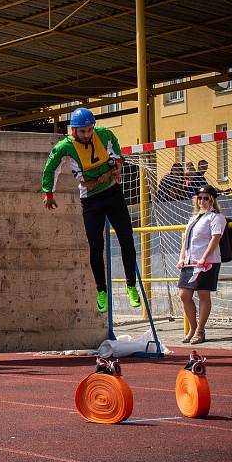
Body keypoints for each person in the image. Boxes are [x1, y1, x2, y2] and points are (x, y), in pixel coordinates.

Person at [41, 107, 140, 313]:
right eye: (82, 131)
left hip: (112, 193)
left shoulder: (104, 134)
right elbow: (51, 168)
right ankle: (101, 290)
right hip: (91, 199)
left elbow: (118, 152)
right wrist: (49, 192)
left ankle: (131, 285)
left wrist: (117, 165)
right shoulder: (64, 147)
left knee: (126, 238)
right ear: (73, 131)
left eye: (89, 130)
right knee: (96, 246)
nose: (87, 135)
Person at [176, 185, 227, 345]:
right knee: (184, 295)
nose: (202, 201)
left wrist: (204, 258)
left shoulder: (216, 217)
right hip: (190, 262)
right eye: (200, 198)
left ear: (212, 199)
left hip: (207, 262)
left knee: (203, 295)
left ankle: (200, 330)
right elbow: (186, 241)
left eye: (206, 198)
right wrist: (181, 257)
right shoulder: (193, 218)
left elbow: (215, 238)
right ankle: (193, 327)